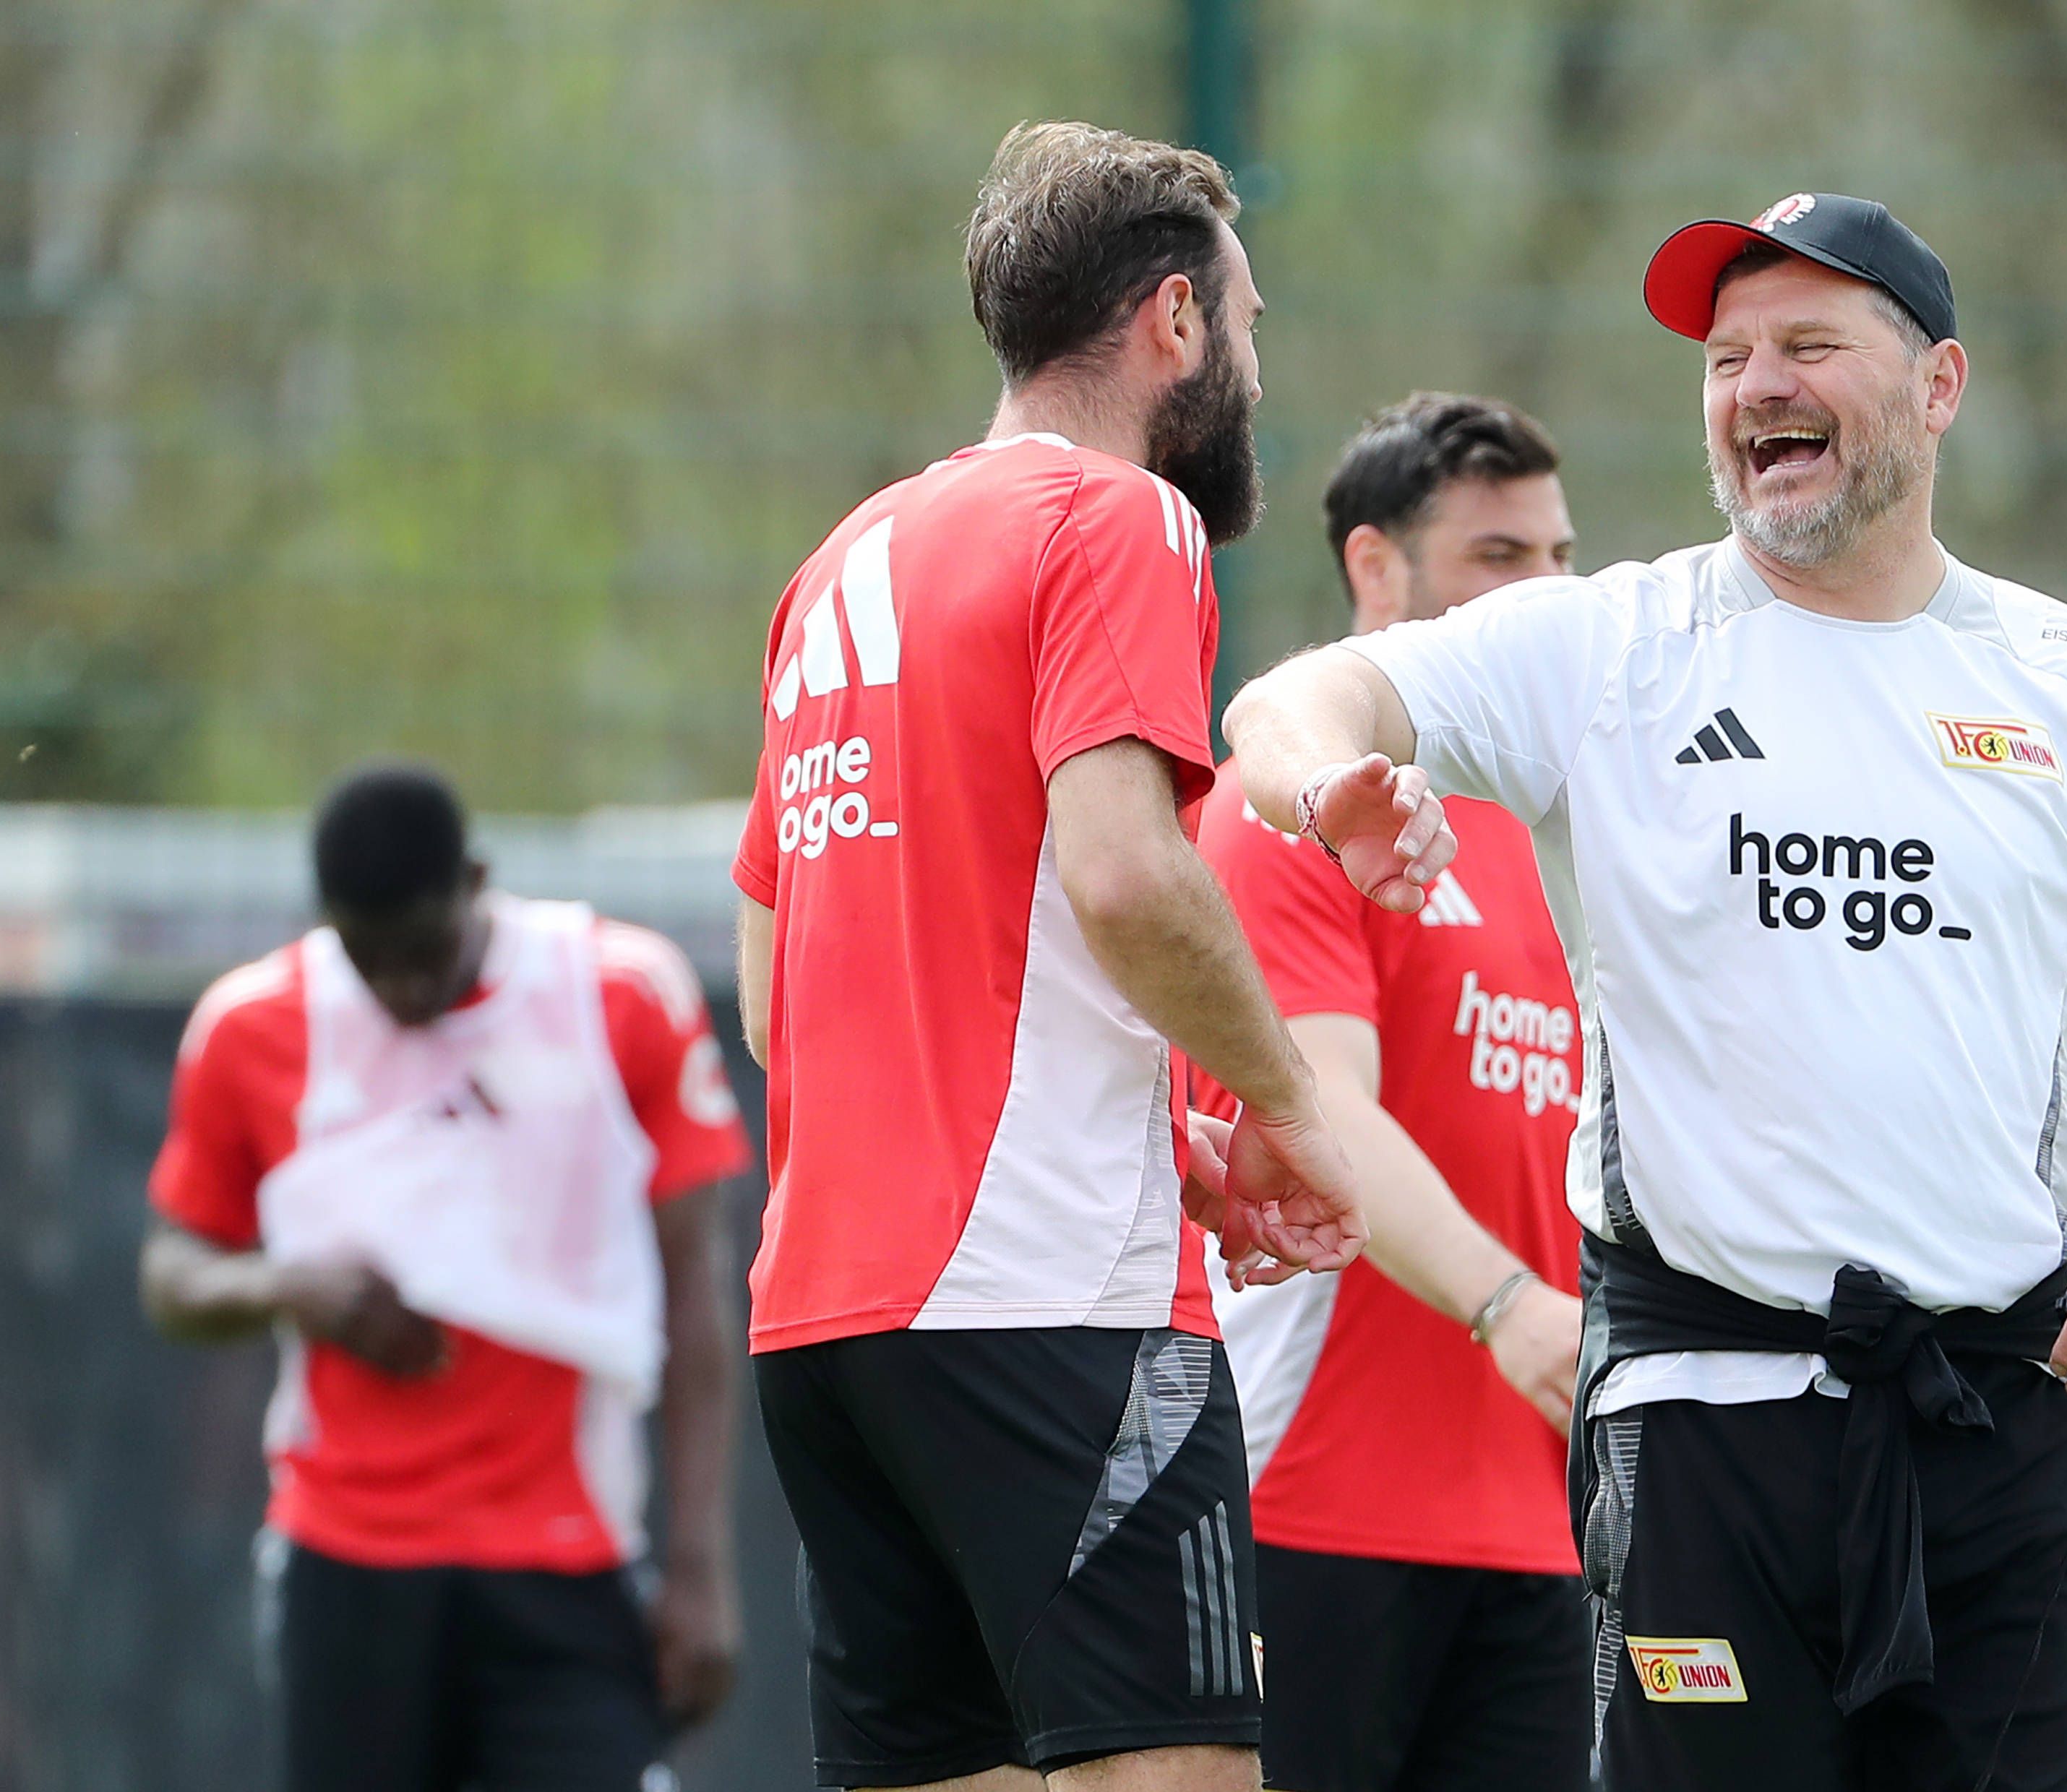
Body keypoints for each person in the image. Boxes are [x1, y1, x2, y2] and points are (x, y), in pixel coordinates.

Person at [1220, 192, 2067, 1791]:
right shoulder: (1615, 644)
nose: (1756, 386)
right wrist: (1332, 774)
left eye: (1809, 345)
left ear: (1940, 386)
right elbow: (1300, 693)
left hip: (1999, 1430)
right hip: (1701, 1428)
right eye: (1727, 355)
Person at [730, 121, 1373, 1792]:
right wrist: (1288, 1099)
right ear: (1173, 321)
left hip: (826, 1331)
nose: (1250, 360)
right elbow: (1128, 880)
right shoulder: (1120, 520)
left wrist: (1175, 1140)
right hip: (1052, 1305)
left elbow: (772, 988)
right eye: (1247, 323)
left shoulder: (839, 561)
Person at [141, 762, 752, 1792]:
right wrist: (286, 1288)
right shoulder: (248, 1027)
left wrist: (698, 1564)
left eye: (423, 955)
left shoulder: (617, 993)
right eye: (367, 959)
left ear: (477, 880)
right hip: (346, 1559)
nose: (401, 991)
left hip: (567, 1555)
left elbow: (695, 1285)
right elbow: (172, 1273)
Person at [1186, 395, 1589, 1792]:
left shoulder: (1552, 835)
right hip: (1314, 1501)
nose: (1545, 595)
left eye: (1559, 556)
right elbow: (1322, 1120)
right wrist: (1510, 1306)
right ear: (1376, 572)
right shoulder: (1290, 810)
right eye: (1497, 557)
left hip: (1538, 1516)